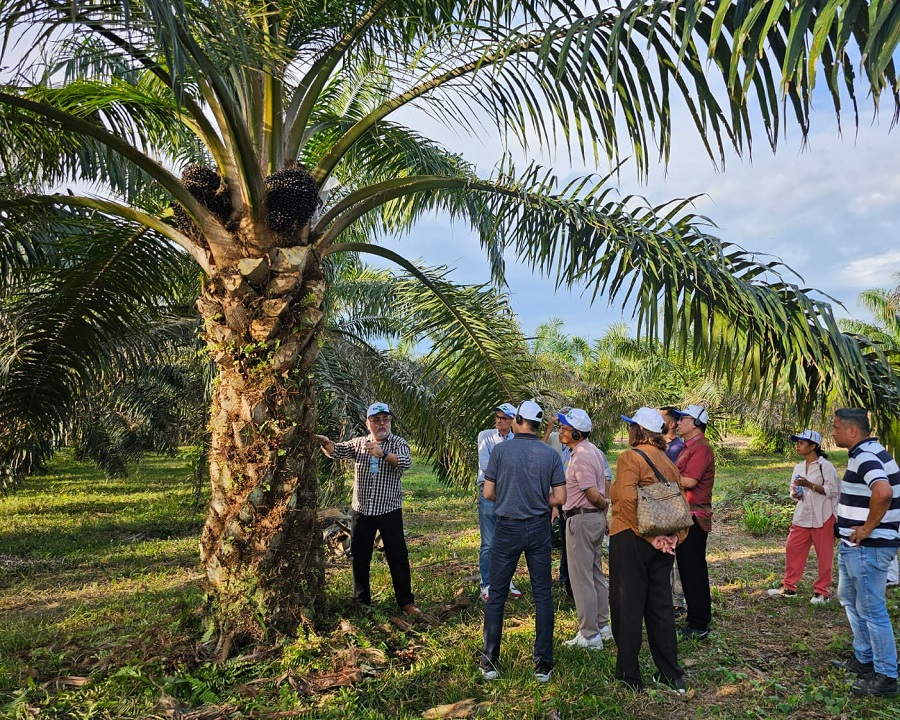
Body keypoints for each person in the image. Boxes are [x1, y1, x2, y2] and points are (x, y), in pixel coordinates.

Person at [480, 400, 567, 683]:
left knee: (497, 594)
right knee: (542, 594)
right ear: (538, 424)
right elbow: (560, 498)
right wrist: (540, 500)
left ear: (517, 420)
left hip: (507, 528)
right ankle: (543, 664)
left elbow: (489, 492)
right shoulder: (550, 455)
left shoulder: (502, 451)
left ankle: (490, 661)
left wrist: (509, 497)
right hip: (539, 528)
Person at [313, 402, 421, 616]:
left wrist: (382, 454)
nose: (382, 424)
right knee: (360, 556)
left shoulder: (398, 443)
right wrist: (327, 444)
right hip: (361, 510)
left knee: (397, 556)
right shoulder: (359, 443)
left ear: (389, 422)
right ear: (368, 423)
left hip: (388, 509)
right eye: (376, 420)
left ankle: (406, 602)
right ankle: (361, 601)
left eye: (385, 419)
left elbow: (405, 462)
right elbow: (338, 451)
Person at [609, 407, 688, 693]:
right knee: (660, 606)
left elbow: (628, 500)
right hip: (662, 544)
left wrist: (649, 536)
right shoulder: (668, 462)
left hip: (630, 538)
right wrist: (673, 538)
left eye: (631, 426)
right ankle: (671, 674)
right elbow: (682, 506)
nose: (628, 430)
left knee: (626, 605)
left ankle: (629, 675)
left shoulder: (630, 457)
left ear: (639, 431)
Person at [828, 408, 900, 697]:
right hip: (853, 545)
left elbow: (882, 493)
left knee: (871, 608)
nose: (832, 432)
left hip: (868, 546)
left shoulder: (865, 456)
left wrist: (867, 528)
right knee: (849, 598)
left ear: (852, 431)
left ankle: (886, 675)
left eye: (835, 427)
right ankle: (864, 657)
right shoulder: (870, 450)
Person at [557, 408, 613, 649]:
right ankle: (603, 625)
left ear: (577, 433)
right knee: (595, 573)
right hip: (593, 520)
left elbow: (592, 493)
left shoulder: (580, 457)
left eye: (565, 427)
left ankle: (589, 635)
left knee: (581, 579)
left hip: (581, 519)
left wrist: (603, 503)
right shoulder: (594, 451)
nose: (560, 430)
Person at [767, 430, 840, 603]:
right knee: (793, 549)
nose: (798, 445)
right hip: (803, 515)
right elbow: (793, 490)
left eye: (802, 443)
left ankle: (822, 592)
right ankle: (789, 587)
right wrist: (797, 493)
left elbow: (833, 490)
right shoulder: (799, 467)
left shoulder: (825, 466)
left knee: (824, 555)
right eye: (797, 442)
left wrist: (809, 485)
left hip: (823, 515)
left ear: (813, 446)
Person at [671, 404, 715, 640]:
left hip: (695, 517)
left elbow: (689, 480)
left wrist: (664, 476)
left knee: (693, 570)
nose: (678, 423)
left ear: (696, 423)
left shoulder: (701, 449)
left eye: (683, 419)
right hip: (687, 515)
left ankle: (699, 623)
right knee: (689, 569)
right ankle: (696, 619)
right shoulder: (690, 447)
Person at [476, 403, 522, 601]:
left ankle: (506, 580)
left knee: (508, 541)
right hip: (489, 492)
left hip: (510, 493)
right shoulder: (485, 436)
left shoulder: (518, 440)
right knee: (489, 541)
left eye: (504, 418)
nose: (499, 420)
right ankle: (486, 583)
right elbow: (487, 466)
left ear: (513, 421)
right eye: (497, 416)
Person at [543, 408, 573, 597]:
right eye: (560, 426)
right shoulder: (554, 437)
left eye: (564, 426)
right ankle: (549, 577)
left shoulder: (580, 446)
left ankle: (566, 577)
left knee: (566, 540)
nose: (561, 430)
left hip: (569, 498)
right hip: (552, 496)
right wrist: (550, 427)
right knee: (546, 539)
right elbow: (538, 447)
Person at [661, 406, 687, 614]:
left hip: (673, 507)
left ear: (671, 424)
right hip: (661, 508)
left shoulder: (678, 448)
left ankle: (678, 599)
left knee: (675, 553)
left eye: (661, 418)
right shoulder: (661, 445)